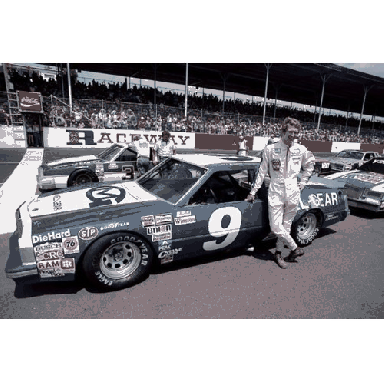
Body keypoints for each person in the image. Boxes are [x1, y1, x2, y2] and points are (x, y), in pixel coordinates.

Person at [245, 117, 315, 269]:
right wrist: (253, 191)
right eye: (290, 131)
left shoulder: (301, 149)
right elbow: (262, 172)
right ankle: (295, 248)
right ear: (283, 130)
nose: (293, 135)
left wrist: (302, 183)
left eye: (296, 132)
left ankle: (278, 253)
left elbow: (310, 166)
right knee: (276, 227)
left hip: (293, 190)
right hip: (275, 189)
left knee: (286, 225)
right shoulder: (270, 149)